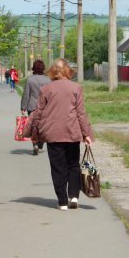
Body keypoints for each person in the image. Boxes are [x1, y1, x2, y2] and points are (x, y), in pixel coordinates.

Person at [31, 58, 95, 211]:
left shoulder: (46, 89)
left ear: (52, 72)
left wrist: (34, 133)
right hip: (72, 132)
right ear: (68, 71)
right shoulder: (76, 88)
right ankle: (73, 196)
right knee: (73, 164)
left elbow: (38, 113)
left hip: (53, 134)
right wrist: (86, 134)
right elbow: (81, 113)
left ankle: (62, 201)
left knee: (58, 167)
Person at [21, 60, 51, 155]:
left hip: (32, 106)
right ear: (43, 68)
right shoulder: (48, 80)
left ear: (33, 68)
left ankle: (34, 144)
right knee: (42, 126)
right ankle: (40, 145)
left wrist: (23, 107)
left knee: (33, 125)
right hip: (45, 106)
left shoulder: (29, 79)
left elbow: (26, 94)